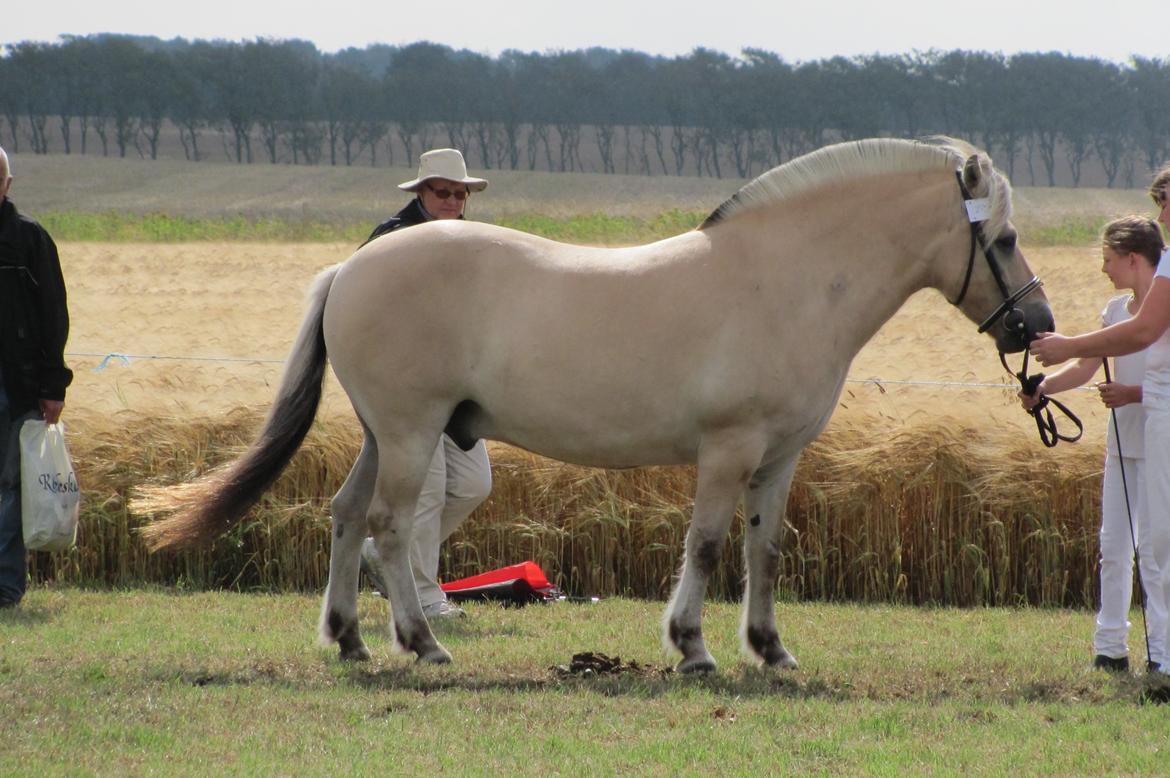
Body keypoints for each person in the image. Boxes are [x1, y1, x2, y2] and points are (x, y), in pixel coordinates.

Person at [1031, 166, 1170, 673]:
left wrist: (1131, 392)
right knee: (1114, 547)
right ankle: (1110, 647)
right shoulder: (1115, 309)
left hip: (1158, 438)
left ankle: (1161, 651)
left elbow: (1147, 354)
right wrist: (1042, 388)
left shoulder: (1158, 303)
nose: (1104, 270)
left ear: (1133, 259)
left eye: (1109, 260)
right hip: (1123, 444)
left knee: (1157, 553)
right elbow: (1087, 365)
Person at [358, 148, 492, 619]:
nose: (453, 200)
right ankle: (424, 597)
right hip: (407, 388)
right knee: (428, 487)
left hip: (458, 391)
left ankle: (383, 550)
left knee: (475, 484)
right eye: (442, 191)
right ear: (421, 193)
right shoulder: (392, 240)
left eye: (460, 193)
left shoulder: (466, 243)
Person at [0, 146, 73, 608]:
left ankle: (5, 587)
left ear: (7, 184)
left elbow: (54, 316)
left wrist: (53, 385)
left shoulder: (29, 241)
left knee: (9, 488)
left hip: (16, 384)